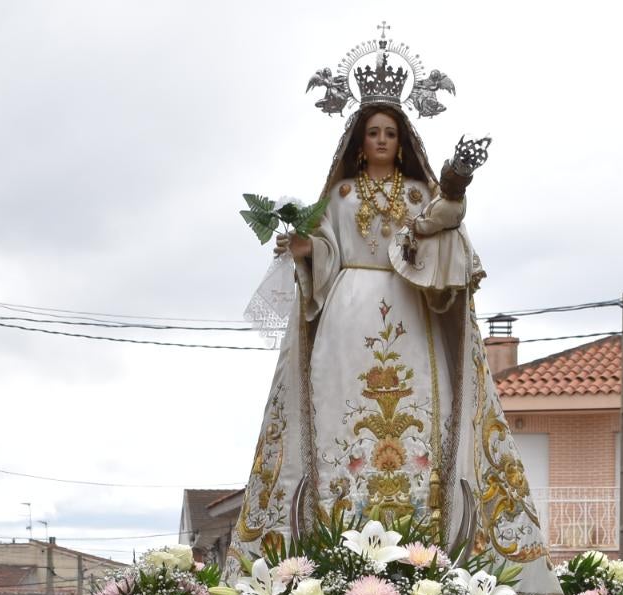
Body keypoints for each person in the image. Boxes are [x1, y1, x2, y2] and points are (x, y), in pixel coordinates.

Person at [231, 84, 539, 560]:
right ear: (359, 140)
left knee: (419, 413)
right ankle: (335, 537)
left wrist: (452, 186)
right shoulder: (339, 193)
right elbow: (328, 249)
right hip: (346, 313)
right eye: (372, 132)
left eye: (389, 133)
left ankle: (421, 542)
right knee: (343, 419)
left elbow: (448, 219)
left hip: (408, 308)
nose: (380, 140)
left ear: (402, 141)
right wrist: (306, 249)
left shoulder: (420, 192)